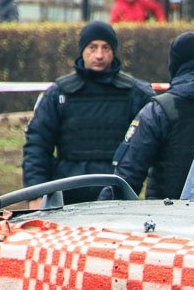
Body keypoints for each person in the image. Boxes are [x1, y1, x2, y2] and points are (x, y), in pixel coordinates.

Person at [22, 20, 154, 203]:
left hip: (116, 198)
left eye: (105, 48)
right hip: (66, 195)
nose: (99, 55)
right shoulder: (58, 94)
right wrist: (35, 194)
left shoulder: (136, 94)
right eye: (92, 47)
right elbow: (37, 145)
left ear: (113, 51)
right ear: (82, 49)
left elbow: (153, 147)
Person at [112, 32, 194, 200]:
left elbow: (128, 174)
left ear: (174, 63)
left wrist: (103, 217)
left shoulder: (159, 110)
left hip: (167, 216)